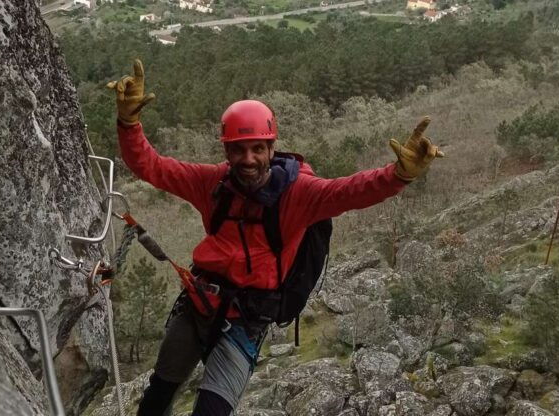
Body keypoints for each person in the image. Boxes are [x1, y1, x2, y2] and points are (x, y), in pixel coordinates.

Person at [109, 59, 443, 415]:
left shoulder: (298, 193)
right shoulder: (213, 184)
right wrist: (129, 124)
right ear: (226, 151)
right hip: (198, 305)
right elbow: (152, 166)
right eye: (238, 149)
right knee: (156, 399)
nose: (248, 159)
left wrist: (398, 176)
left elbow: (350, 191)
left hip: (246, 322)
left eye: (257, 149)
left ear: (272, 148)